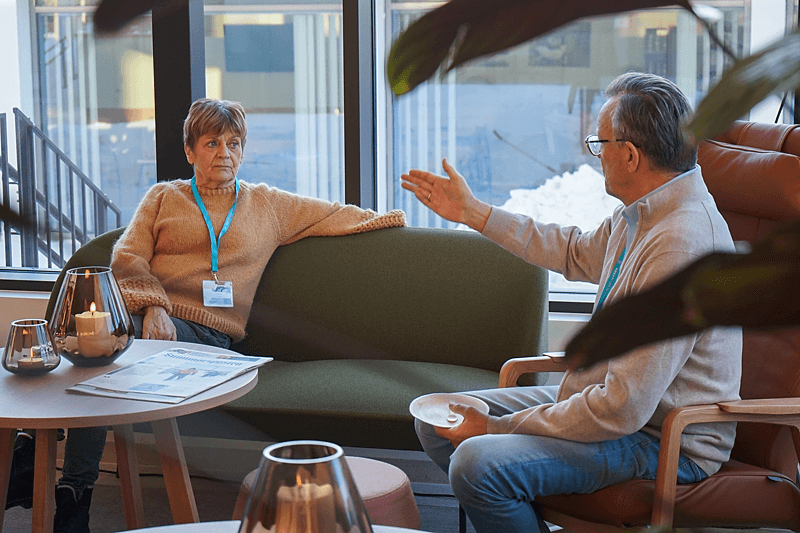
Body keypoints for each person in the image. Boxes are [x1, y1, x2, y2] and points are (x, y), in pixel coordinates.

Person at [400, 72, 742, 533]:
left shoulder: (681, 244)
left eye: (599, 143)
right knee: (437, 419)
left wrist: (498, 431)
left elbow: (623, 409)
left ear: (630, 154)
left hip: (662, 438)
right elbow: (572, 250)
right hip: (609, 403)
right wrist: (474, 213)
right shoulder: (642, 212)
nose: (596, 154)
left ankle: (510, 484)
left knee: (476, 464)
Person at [49, 98, 406, 532]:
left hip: (208, 338)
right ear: (190, 151)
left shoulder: (267, 204)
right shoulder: (163, 197)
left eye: (234, 143)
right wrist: (156, 306)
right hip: (148, 323)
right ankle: (70, 493)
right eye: (213, 142)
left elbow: (332, 215)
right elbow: (127, 259)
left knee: (100, 351)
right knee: (97, 348)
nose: (225, 153)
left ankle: (56, 478)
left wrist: (390, 219)